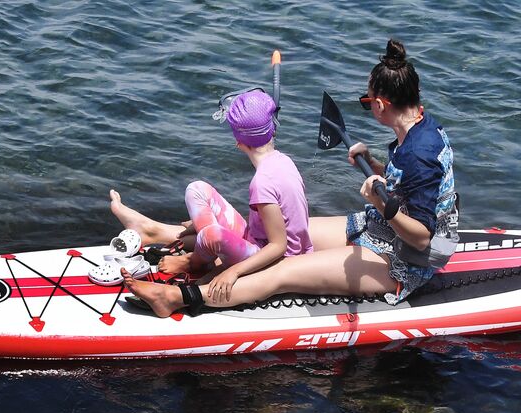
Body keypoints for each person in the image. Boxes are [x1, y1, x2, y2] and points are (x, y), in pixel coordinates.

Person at [125, 38, 457, 317]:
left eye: (367, 101)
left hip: (404, 258)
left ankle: (176, 300)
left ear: (382, 104)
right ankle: (167, 237)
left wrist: (382, 205)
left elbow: (422, 238)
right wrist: (372, 163)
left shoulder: (420, 154)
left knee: (282, 271)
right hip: (376, 228)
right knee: (283, 236)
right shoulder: (417, 129)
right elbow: (407, 185)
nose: (367, 106)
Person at [107, 87, 311, 307]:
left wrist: (234, 271)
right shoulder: (283, 161)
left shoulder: (262, 182)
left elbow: (279, 246)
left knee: (212, 234)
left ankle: (194, 261)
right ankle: (203, 256)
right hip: (257, 239)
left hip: (276, 261)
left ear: (239, 142)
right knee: (197, 189)